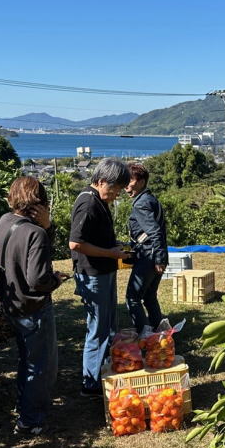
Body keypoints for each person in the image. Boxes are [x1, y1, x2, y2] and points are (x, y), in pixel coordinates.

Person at [0, 176, 68, 435]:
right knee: (42, 365)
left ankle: (24, 407)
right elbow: (37, 279)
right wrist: (56, 280)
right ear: (40, 202)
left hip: (10, 301)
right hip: (33, 307)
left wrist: (45, 227)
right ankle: (30, 420)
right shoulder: (35, 233)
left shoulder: (5, 221)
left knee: (26, 359)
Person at [69, 158, 131, 397]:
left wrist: (114, 246)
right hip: (93, 275)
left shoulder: (99, 200)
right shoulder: (87, 203)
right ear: (102, 181)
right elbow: (76, 243)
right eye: (114, 190)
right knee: (97, 329)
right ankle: (91, 384)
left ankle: (102, 372)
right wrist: (109, 253)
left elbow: (94, 237)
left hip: (104, 271)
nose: (116, 195)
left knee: (107, 325)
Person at [124, 163, 168, 334]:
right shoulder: (150, 199)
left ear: (141, 182)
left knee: (132, 298)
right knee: (149, 297)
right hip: (155, 254)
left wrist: (158, 258)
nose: (126, 187)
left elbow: (155, 232)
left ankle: (145, 335)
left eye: (130, 181)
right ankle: (161, 332)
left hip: (149, 257)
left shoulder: (140, 204)